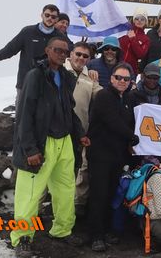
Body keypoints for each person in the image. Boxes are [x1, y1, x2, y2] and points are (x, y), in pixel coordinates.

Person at [10, 36, 89, 255]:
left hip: (63, 141)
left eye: (65, 51)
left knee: (65, 189)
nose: (62, 54)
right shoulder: (35, 76)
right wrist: (31, 149)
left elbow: (68, 110)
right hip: (41, 143)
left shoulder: (64, 77)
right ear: (47, 50)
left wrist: (80, 134)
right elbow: (24, 115)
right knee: (30, 194)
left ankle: (63, 230)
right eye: (58, 50)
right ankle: (22, 237)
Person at [86, 62, 139, 252]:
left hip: (118, 155)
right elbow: (113, 121)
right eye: (118, 77)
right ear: (111, 78)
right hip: (100, 153)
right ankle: (95, 235)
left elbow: (135, 119)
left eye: (126, 79)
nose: (122, 81)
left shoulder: (130, 98)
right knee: (98, 194)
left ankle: (107, 230)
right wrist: (133, 137)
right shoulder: (103, 96)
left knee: (111, 193)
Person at [0, 4, 63, 108]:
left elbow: (71, 53)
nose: (50, 18)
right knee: (22, 119)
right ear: (42, 15)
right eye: (47, 15)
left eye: (53, 17)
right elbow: (11, 48)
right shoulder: (28, 32)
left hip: (49, 85)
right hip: (25, 83)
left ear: (57, 19)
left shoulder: (60, 36)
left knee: (45, 120)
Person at [64, 42, 102, 212]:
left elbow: (101, 94)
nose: (80, 58)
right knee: (55, 170)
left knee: (81, 169)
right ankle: (40, 209)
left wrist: (123, 88)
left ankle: (77, 206)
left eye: (85, 56)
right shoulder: (59, 70)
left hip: (81, 131)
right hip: (59, 131)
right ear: (71, 54)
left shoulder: (90, 77)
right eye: (78, 54)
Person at [119, 7, 150, 76]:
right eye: (137, 18)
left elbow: (140, 54)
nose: (139, 21)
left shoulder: (145, 39)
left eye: (142, 19)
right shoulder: (124, 31)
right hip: (117, 67)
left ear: (145, 22)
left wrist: (133, 39)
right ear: (133, 20)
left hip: (131, 70)